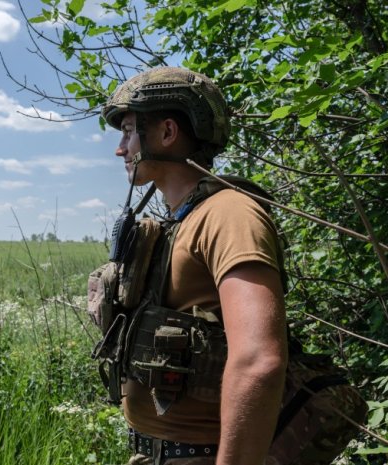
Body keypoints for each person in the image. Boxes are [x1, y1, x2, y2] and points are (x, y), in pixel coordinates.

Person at [101, 67, 288, 465]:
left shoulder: (230, 215)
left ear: (167, 133)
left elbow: (260, 360)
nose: (121, 148)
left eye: (130, 131)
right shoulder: (180, 219)